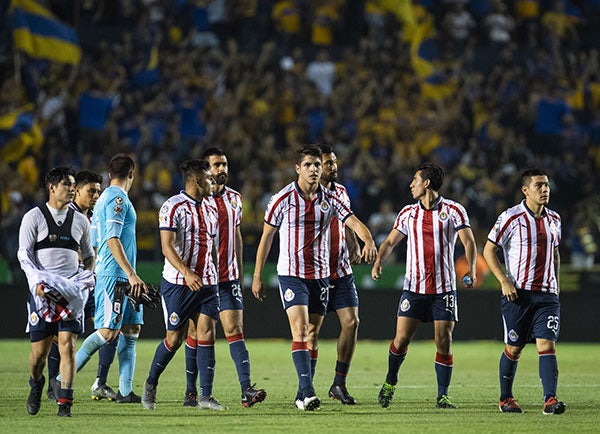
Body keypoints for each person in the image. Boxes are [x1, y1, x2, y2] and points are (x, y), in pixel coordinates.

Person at [252, 144, 377, 411]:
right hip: (291, 274)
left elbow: (352, 221)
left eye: (317, 165)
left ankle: (303, 391)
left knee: (312, 333)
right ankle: (307, 392)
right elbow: (267, 238)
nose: (313, 170)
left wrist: (367, 239)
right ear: (297, 168)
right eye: (308, 165)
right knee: (300, 329)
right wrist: (257, 276)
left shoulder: (332, 198)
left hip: (321, 275)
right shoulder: (282, 199)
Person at [371, 162, 477, 410]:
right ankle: (390, 381)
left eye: (415, 180)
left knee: (444, 340)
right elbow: (389, 243)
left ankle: (443, 395)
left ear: (426, 183)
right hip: (414, 288)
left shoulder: (454, 210)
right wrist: (377, 262)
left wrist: (470, 269)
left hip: (444, 289)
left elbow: (469, 242)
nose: (411, 184)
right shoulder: (408, 213)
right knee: (401, 339)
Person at [183, 148, 266, 408]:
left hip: (228, 277)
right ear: (205, 170)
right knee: (197, 332)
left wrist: (241, 271)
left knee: (235, 330)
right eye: (217, 165)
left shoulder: (235, 199)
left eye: (225, 164)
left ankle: (246, 390)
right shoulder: (197, 200)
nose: (222, 169)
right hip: (202, 278)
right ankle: (191, 392)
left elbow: (236, 235)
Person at [141, 159, 226, 411]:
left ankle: (205, 396)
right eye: (209, 178)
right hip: (178, 283)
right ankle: (151, 382)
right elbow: (167, 247)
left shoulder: (211, 207)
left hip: (207, 282)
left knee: (207, 333)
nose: (214, 182)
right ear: (197, 181)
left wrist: (212, 271)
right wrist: (187, 273)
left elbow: (210, 245)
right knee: (174, 339)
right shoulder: (171, 206)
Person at [63, 154, 146, 403]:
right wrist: (130, 274)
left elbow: (97, 241)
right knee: (108, 332)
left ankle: (125, 390)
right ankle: (60, 380)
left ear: (111, 174)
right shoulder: (116, 199)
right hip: (116, 275)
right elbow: (112, 238)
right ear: (132, 174)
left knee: (131, 329)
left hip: (119, 273)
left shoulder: (103, 201)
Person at [482, 168, 566, 415]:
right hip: (518, 295)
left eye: (547, 185)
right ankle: (505, 398)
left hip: (547, 296)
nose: (544, 190)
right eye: (539, 185)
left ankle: (550, 400)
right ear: (525, 190)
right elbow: (488, 250)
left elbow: (556, 253)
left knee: (546, 345)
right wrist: (504, 281)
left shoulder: (555, 220)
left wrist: (557, 286)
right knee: (514, 347)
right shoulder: (510, 217)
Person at [18, 167, 95, 417]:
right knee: (39, 355)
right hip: (42, 294)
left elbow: (90, 255)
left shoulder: (81, 221)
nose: (72, 189)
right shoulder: (34, 217)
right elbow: (25, 256)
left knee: (67, 346)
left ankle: (65, 402)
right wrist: (35, 285)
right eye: (66, 184)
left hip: (71, 294)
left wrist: (84, 278)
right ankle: (36, 383)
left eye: (74, 185)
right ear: (51, 187)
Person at [313, 144, 374, 405]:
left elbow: (346, 221)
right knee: (310, 332)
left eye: (334, 162)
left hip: (341, 270)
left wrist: (354, 243)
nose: (333, 167)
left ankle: (339, 383)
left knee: (352, 322)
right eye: (327, 163)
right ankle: (306, 386)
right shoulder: (308, 195)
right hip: (315, 272)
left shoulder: (341, 191)